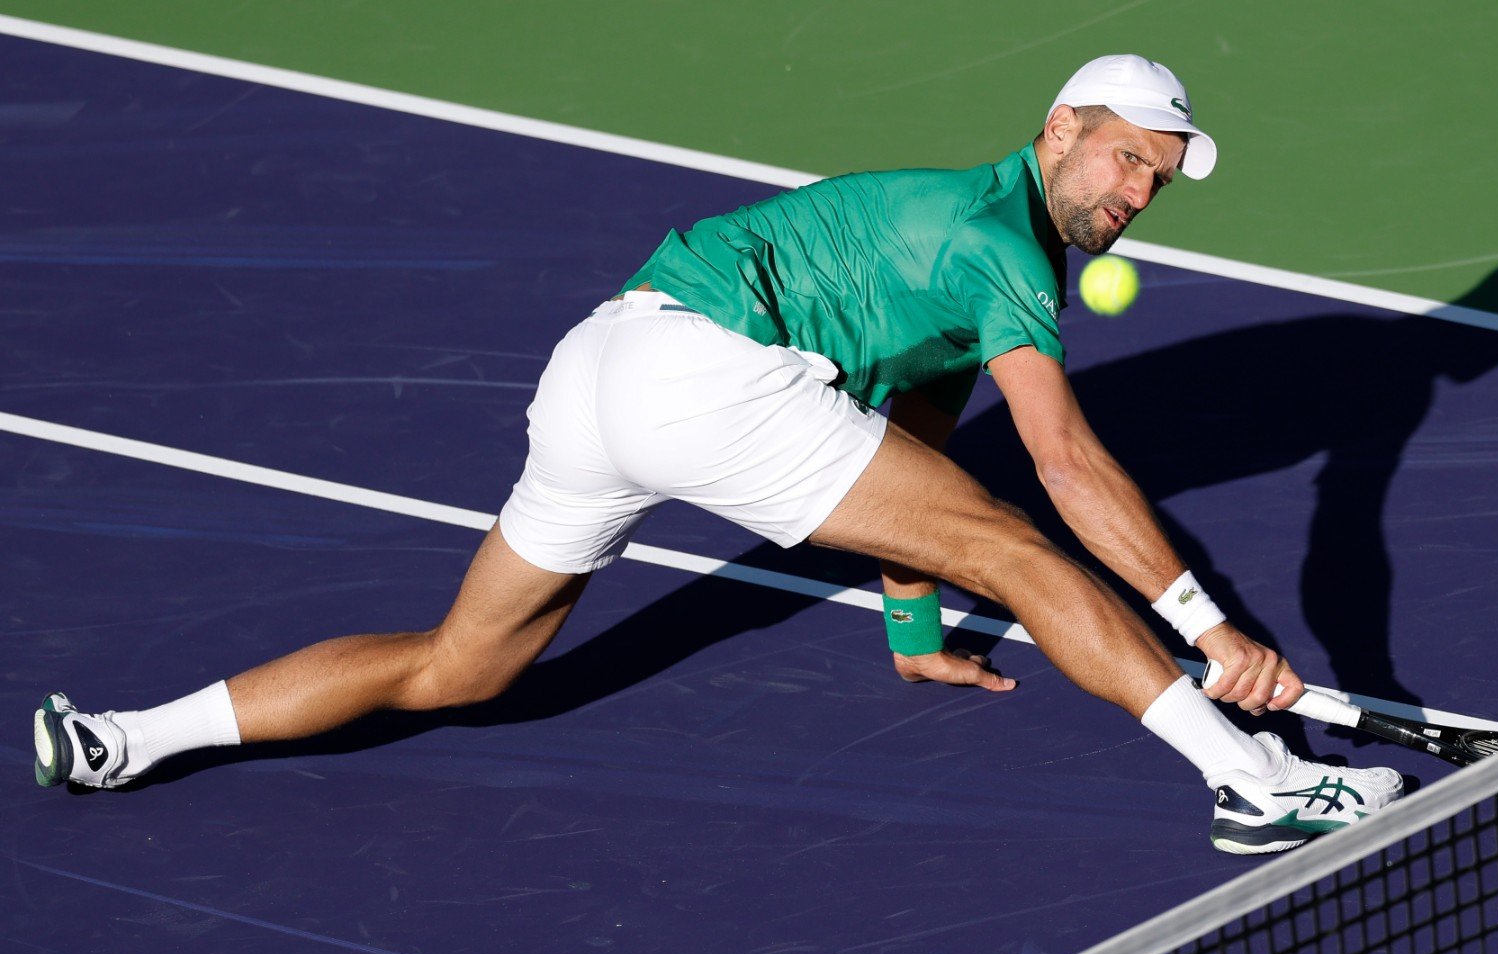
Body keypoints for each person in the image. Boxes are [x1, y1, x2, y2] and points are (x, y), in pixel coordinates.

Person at [33, 55, 1400, 855]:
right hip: (705, 371)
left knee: (466, 664)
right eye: (1121, 163)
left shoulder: (953, 230)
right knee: (1024, 549)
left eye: (1155, 179)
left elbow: (914, 425)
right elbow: (1063, 463)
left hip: (603, 365)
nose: (1134, 196)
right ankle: (1254, 779)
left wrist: (912, 622)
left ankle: (122, 737)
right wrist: (1204, 624)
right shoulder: (1004, 255)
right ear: (1059, 131)